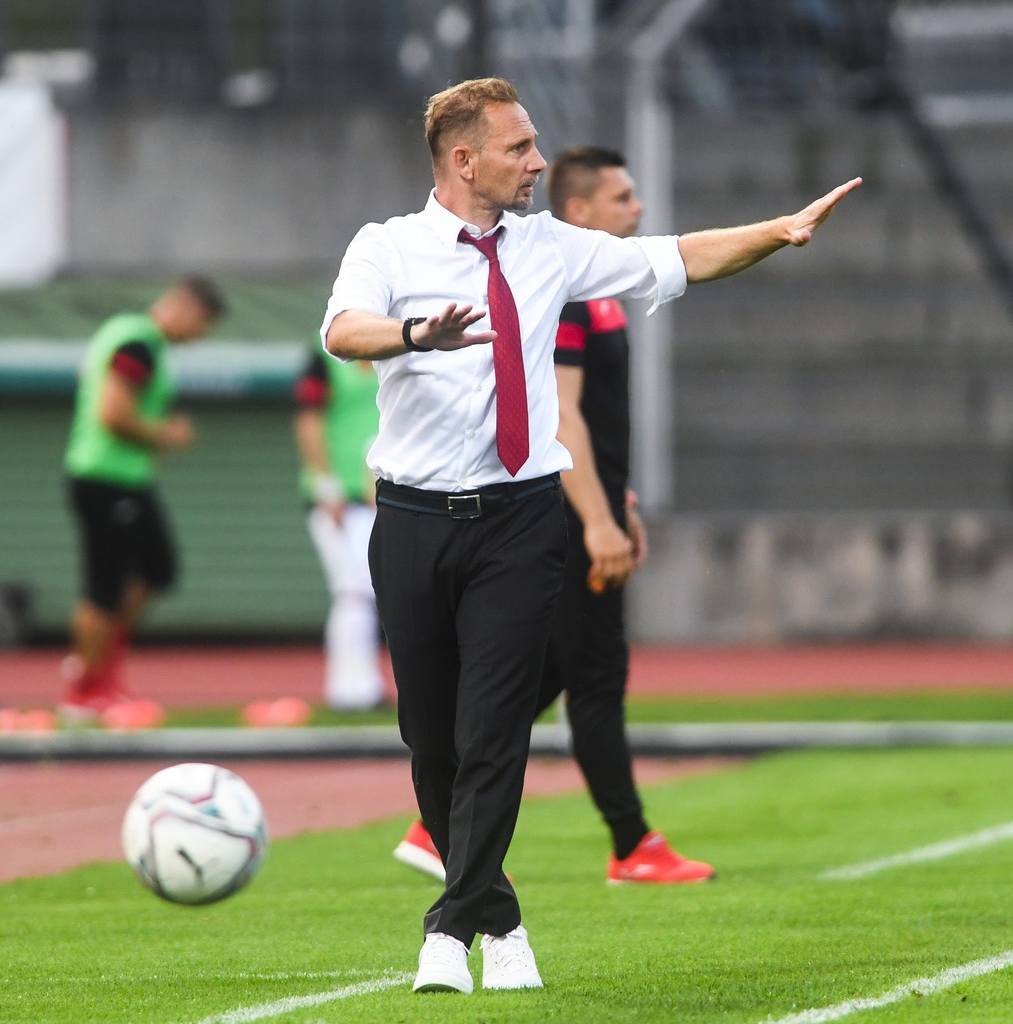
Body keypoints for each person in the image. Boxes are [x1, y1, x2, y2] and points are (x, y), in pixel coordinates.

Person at [321, 76, 858, 996]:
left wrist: (777, 231)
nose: (537, 162)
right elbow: (343, 331)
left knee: (495, 727)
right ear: (464, 160)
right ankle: (499, 914)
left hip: (522, 520)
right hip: (409, 520)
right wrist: (417, 333)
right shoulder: (387, 246)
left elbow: (676, 257)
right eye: (520, 148)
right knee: (431, 737)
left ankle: (449, 931)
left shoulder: (550, 249)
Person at [392, 146, 713, 888]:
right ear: (580, 211)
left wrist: (619, 500)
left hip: (586, 504)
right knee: (595, 677)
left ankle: (436, 815)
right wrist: (596, 519)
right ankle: (631, 843)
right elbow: (562, 412)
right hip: (558, 515)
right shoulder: (565, 295)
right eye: (621, 198)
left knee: (555, 669)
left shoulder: (597, 294)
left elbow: (592, 417)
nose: (636, 210)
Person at [59, 277, 224, 721]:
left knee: (156, 567)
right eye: (203, 325)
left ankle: (98, 674)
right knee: (105, 586)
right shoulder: (140, 343)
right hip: (106, 476)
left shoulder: (121, 330)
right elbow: (112, 412)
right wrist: (165, 433)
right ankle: (84, 690)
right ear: (186, 309)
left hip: (121, 478)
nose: (200, 337)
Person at [293, 335, 386, 712]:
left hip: (380, 496)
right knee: (353, 590)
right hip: (338, 500)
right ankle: (350, 689)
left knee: (369, 591)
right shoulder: (323, 361)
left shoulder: (394, 354)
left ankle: (363, 685)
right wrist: (325, 484)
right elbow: (308, 421)